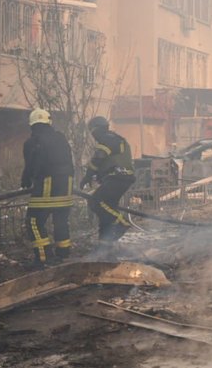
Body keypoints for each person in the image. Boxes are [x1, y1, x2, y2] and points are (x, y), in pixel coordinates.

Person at [21, 108, 74, 269]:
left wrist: (25, 179)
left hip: (48, 185)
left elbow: (31, 165)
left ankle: (43, 258)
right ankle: (63, 254)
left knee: (33, 221)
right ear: (49, 122)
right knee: (61, 220)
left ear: (32, 125)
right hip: (67, 185)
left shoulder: (31, 142)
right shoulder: (61, 138)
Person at [80, 116, 136, 257]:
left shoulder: (106, 139)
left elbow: (98, 158)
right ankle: (104, 247)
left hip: (118, 178)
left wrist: (88, 175)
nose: (93, 135)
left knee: (96, 201)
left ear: (96, 129)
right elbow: (107, 160)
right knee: (106, 212)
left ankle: (122, 222)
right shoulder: (114, 138)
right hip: (119, 178)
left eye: (92, 132)